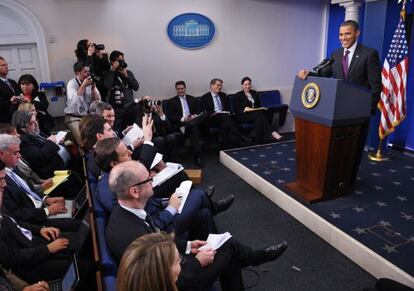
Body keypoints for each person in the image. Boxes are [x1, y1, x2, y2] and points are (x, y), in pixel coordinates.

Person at [106, 160, 288, 291]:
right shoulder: (131, 233)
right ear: (135, 191)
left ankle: (248, 257)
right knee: (229, 247)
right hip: (177, 280)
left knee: (217, 237)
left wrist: (187, 246)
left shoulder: (128, 211)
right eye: (148, 179)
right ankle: (253, 257)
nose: (153, 180)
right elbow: (169, 279)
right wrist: (198, 261)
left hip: (169, 266)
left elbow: (157, 240)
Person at [94, 137, 232, 240]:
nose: (131, 152)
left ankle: (217, 248)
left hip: (161, 214)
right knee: (198, 195)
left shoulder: (119, 177)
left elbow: (149, 203)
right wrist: (171, 208)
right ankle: (214, 207)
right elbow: (147, 225)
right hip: (161, 229)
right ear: (113, 163)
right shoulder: (112, 188)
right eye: (126, 154)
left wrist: (167, 201)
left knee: (204, 214)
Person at [297, 20, 381, 183]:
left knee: (353, 150)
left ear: (357, 33)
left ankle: (348, 181)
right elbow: (324, 74)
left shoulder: (369, 54)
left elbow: (376, 87)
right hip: (336, 111)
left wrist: (365, 110)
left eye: (347, 33)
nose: (343, 37)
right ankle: (334, 179)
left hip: (357, 114)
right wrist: (308, 74)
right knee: (337, 149)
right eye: (341, 34)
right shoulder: (335, 54)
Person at [200, 78, 250, 148]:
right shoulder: (205, 97)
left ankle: (224, 144)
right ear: (211, 85)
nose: (220, 87)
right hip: (212, 119)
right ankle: (240, 137)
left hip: (224, 118)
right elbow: (204, 112)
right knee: (226, 118)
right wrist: (214, 113)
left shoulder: (223, 95)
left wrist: (229, 112)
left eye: (220, 86)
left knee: (226, 121)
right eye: (218, 85)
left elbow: (229, 108)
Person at [168, 81, 207, 168]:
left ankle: (188, 125)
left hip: (191, 123)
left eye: (182, 88)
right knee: (194, 129)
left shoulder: (192, 99)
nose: (180, 90)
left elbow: (197, 112)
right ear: (176, 90)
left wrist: (193, 116)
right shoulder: (171, 101)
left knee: (204, 115)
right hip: (180, 124)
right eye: (178, 89)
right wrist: (183, 118)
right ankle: (197, 158)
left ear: (185, 88)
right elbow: (171, 117)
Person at [234, 77, 282, 144]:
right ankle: (273, 132)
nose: (248, 86)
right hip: (244, 116)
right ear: (242, 85)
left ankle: (258, 140)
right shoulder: (238, 95)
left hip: (255, 115)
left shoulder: (254, 93)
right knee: (259, 115)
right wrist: (245, 109)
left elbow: (258, 106)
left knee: (259, 119)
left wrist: (261, 108)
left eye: (249, 84)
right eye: (245, 84)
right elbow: (236, 109)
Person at [64, 62, 101, 145]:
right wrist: (83, 85)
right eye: (85, 72)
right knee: (83, 142)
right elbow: (74, 102)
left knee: (95, 137)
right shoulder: (71, 83)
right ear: (77, 73)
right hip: (73, 117)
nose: (87, 74)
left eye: (88, 71)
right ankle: (84, 156)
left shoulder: (89, 82)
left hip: (86, 116)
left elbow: (98, 101)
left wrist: (93, 88)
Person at [103, 50, 139, 132]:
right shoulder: (109, 73)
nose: (121, 62)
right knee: (117, 131)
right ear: (112, 61)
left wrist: (126, 76)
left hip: (130, 107)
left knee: (131, 131)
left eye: (123, 60)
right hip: (117, 109)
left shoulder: (128, 72)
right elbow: (107, 85)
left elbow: (136, 87)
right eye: (119, 60)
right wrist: (112, 70)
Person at [135, 96, 176, 160]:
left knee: (171, 137)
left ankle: (172, 161)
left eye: (151, 101)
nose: (150, 103)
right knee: (159, 140)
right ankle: (163, 162)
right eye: (147, 101)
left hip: (159, 135)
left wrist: (161, 113)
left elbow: (168, 127)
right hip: (148, 139)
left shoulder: (155, 113)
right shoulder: (138, 115)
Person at [0, 56, 20, 123]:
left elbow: (19, 95)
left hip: (18, 118)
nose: (6, 67)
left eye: (6, 65)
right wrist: (10, 101)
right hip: (5, 121)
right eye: (3, 65)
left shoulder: (13, 82)